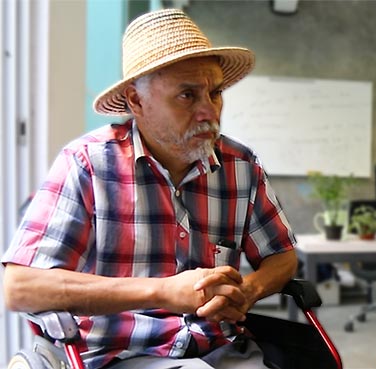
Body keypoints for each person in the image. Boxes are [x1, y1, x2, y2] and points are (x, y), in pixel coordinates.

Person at [2, 8, 298, 369]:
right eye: (188, 96)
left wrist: (248, 291)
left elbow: (281, 256)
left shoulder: (241, 166)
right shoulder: (87, 165)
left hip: (219, 351)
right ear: (136, 101)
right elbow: (18, 287)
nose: (209, 111)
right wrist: (163, 291)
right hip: (118, 355)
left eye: (215, 93)